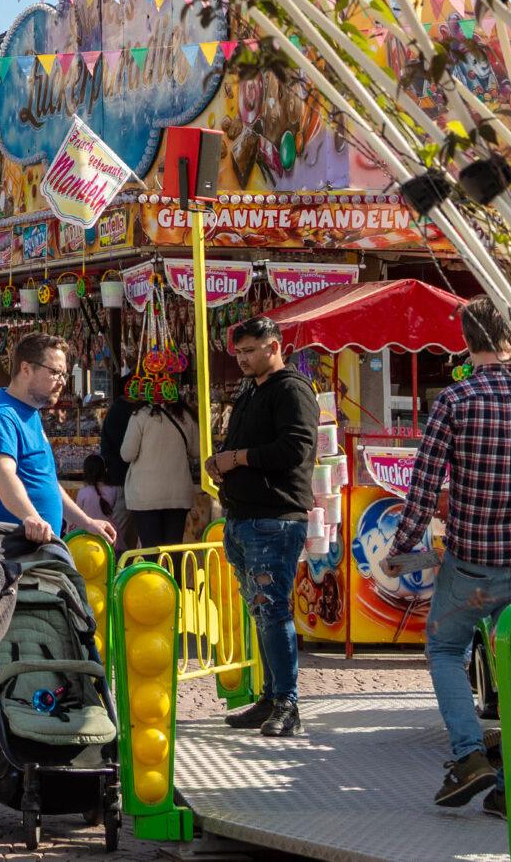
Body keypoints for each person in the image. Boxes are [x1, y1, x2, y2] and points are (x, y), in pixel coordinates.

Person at [383, 299, 511, 812]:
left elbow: (425, 489)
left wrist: (401, 547)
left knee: (447, 650)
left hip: (471, 561)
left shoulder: (454, 401)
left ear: (465, 341)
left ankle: (470, 756)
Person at [206, 316, 317, 737]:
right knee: (260, 611)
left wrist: (238, 459)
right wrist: (221, 461)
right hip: (242, 517)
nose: (243, 360)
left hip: (275, 518)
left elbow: (294, 448)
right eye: (238, 353)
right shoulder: (251, 391)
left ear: (274, 347)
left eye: (250, 351)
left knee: (273, 610)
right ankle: (270, 695)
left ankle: (287, 702)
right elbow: (242, 443)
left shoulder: (292, 390)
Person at [0, 331, 114, 546]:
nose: (62, 382)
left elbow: (46, 482)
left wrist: (86, 522)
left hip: (36, 547)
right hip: (10, 550)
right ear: (26, 369)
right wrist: (31, 516)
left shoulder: (30, 412)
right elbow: (1, 474)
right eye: (55, 372)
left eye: (64, 374)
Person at [118, 394, 203, 553]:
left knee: (151, 553)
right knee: (173, 552)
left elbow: (127, 454)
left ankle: (156, 578)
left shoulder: (141, 415)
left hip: (145, 495)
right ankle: (174, 578)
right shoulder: (184, 414)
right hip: (178, 494)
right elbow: (197, 450)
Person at [76, 454, 124, 529]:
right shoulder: (114, 490)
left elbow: (77, 515)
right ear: (104, 470)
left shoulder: (83, 492)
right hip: (109, 534)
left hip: (87, 534)